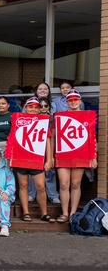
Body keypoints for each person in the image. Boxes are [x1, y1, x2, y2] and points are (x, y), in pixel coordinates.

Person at [56, 89, 96, 223]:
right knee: (63, 183)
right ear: (67, 102)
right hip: (63, 153)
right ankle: (64, 213)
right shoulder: (60, 117)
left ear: (80, 101)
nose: (73, 102)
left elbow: (92, 138)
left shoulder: (87, 116)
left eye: (75, 99)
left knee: (75, 183)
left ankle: (73, 213)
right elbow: (54, 137)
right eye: (70, 100)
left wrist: (93, 157)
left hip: (80, 153)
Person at [12, 97, 54, 224]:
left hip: (37, 158)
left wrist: (49, 159)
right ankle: (25, 212)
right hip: (21, 157)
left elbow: (47, 142)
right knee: (23, 185)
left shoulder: (43, 121)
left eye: (36, 107)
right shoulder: (18, 120)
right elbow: (13, 139)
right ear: (25, 108)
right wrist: (11, 157)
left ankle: (44, 213)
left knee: (40, 186)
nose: (33, 109)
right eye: (30, 107)